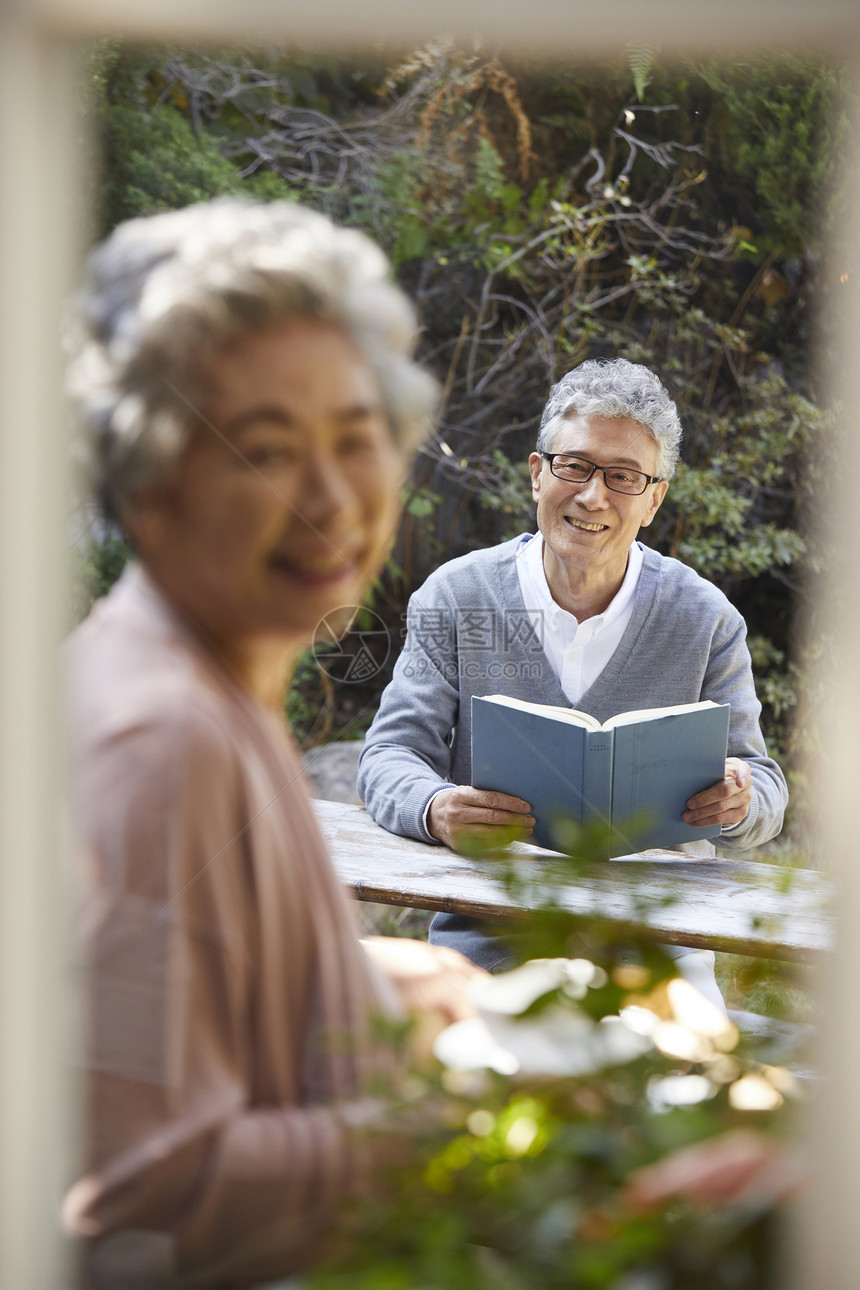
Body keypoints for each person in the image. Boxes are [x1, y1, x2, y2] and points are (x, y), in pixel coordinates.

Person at [61, 199, 484, 1288]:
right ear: (147, 488)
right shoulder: (161, 737)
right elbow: (146, 1189)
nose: (330, 500)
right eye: (262, 451)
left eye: (355, 439)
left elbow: (158, 1024)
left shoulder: (220, 679)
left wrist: (363, 991)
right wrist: (468, 1121)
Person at [358, 359, 789, 988]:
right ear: (538, 474)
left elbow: (768, 789)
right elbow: (390, 753)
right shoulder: (456, 597)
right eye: (575, 466)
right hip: (495, 938)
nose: (593, 495)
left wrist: (740, 800)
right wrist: (435, 806)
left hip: (660, 944)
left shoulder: (705, 619)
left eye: (623, 477)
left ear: (653, 500)